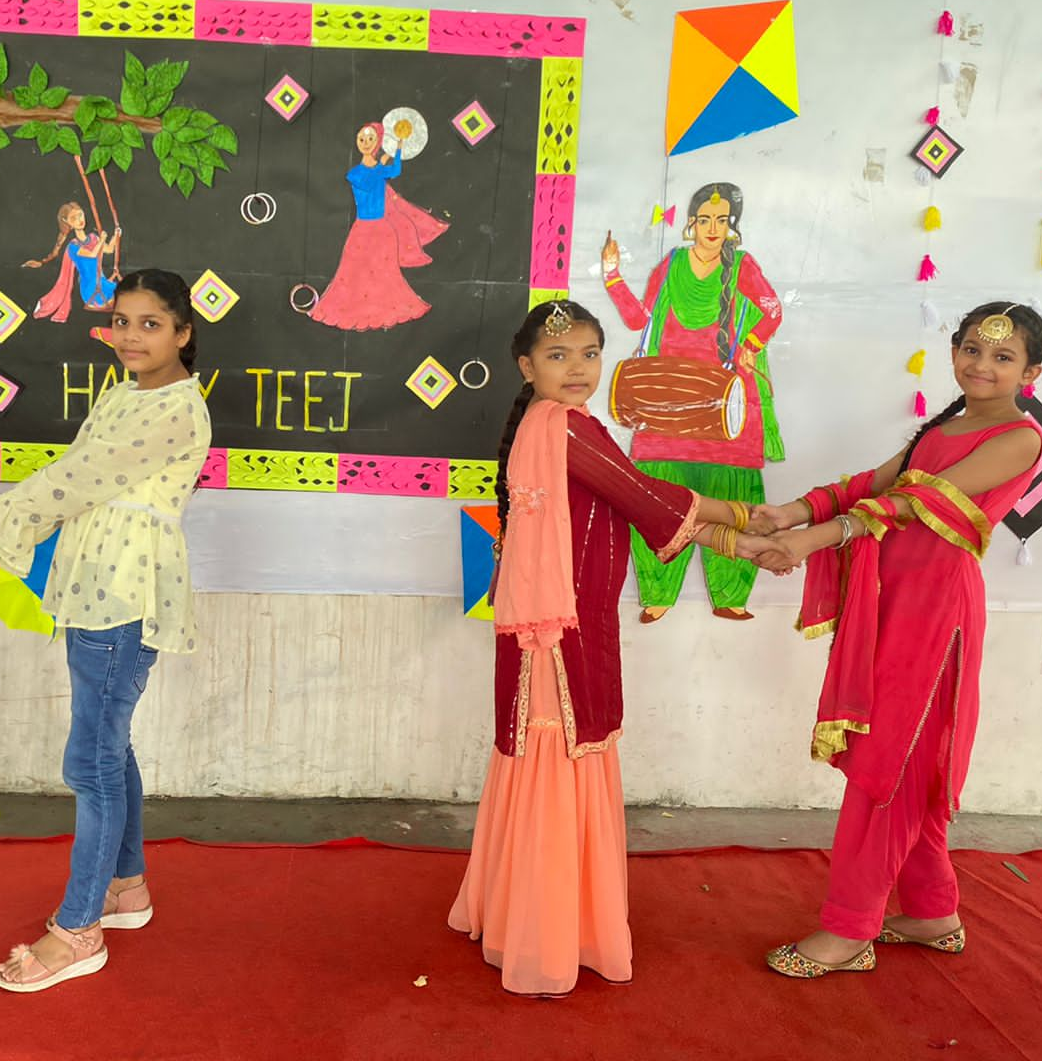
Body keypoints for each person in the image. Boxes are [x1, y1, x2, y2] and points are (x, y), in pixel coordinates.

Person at [447, 299, 793, 996]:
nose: (576, 369)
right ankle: (546, 940)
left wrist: (735, 540)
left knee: (546, 757)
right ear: (526, 364)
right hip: (560, 632)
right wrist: (743, 517)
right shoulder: (567, 428)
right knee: (564, 755)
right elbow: (641, 493)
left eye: (588, 354)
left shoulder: (547, 427)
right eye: (556, 356)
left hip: (549, 623)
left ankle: (523, 918)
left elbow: (633, 502)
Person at [756, 302, 1042, 979]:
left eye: (1003, 358)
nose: (983, 364)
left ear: (1031, 372)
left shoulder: (1019, 438)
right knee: (905, 764)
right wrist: (793, 511)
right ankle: (931, 911)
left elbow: (917, 502)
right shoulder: (948, 424)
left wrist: (815, 537)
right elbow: (876, 484)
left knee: (888, 767)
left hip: (935, 616)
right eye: (972, 348)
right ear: (952, 353)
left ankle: (849, 930)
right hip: (896, 603)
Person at [0, 269, 213, 993]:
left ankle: (78, 930)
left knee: (90, 763)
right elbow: (73, 476)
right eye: (121, 321)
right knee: (106, 746)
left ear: (184, 332)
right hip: (95, 590)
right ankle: (126, 888)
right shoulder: (125, 394)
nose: (129, 335)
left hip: (124, 598)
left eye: (149, 323)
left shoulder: (175, 410)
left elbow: (74, 481)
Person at [602, 182, 785, 621]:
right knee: (660, 488)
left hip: (728, 397)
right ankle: (658, 593)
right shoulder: (672, 264)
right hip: (669, 395)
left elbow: (773, 309)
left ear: (732, 225)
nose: (712, 228)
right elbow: (637, 319)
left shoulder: (742, 265)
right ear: (691, 222)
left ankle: (730, 596)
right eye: (705, 219)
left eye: (722, 220)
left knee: (729, 491)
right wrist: (611, 276)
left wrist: (753, 343)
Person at [310, 122, 447, 331]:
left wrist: (399, 147)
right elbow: (367, 181)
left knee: (385, 275)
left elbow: (396, 169)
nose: (366, 143)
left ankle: (382, 309)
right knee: (352, 273)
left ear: (378, 142)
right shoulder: (355, 173)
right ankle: (353, 310)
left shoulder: (382, 169)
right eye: (362, 139)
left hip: (382, 229)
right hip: (362, 228)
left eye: (371, 139)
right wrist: (381, 165)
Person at [27, 201, 122, 321]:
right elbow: (92, 255)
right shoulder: (73, 246)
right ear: (68, 223)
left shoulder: (93, 238)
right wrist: (102, 240)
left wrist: (115, 236)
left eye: (80, 215)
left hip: (102, 283)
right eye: (74, 218)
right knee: (122, 297)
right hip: (92, 289)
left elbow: (109, 250)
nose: (79, 219)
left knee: (127, 294)